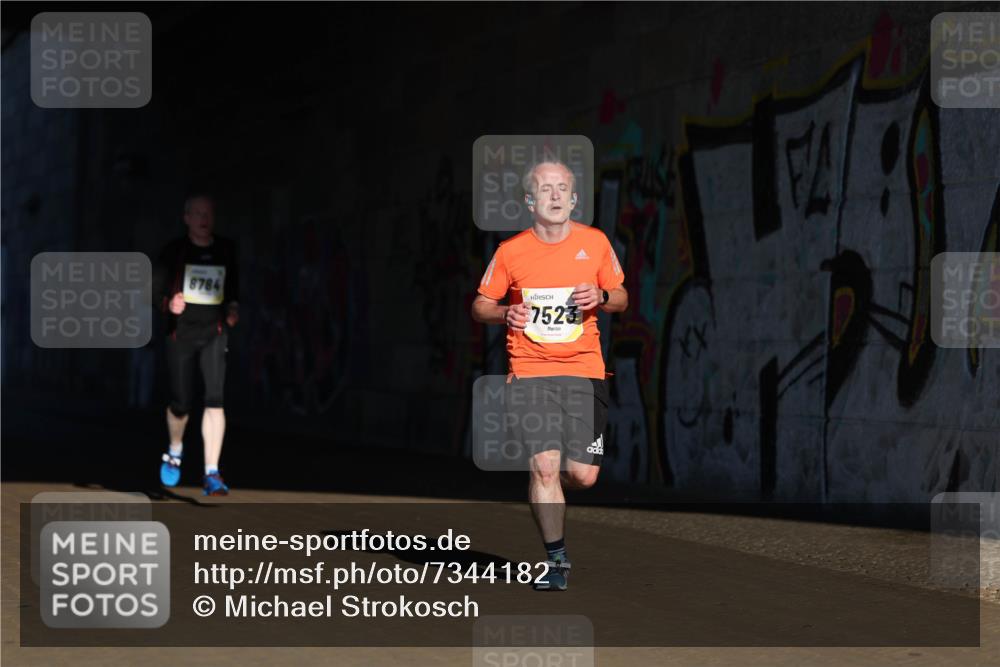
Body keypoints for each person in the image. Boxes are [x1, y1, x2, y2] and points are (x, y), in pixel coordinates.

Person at [471, 160, 627, 590]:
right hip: (530, 371)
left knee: (582, 475)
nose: (555, 196)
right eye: (545, 189)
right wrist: (506, 311)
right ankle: (556, 561)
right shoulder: (511, 252)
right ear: (530, 201)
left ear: (574, 198)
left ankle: (548, 481)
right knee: (544, 467)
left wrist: (603, 294)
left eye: (563, 189)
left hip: (584, 372)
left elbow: (623, 298)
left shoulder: (595, 244)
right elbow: (480, 305)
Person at [153, 194, 239, 495]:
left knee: (215, 399)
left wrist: (232, 309)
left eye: (209, 213)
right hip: (181, 335)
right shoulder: (174, 251)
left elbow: (233, 287)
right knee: (180, 403)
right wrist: (168, 303)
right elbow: (154, 289)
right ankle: (175, 450)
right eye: (198, 213)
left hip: (214, 333)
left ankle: (211, 472)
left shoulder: (226, 249)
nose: (204, 219)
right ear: (186, 218)